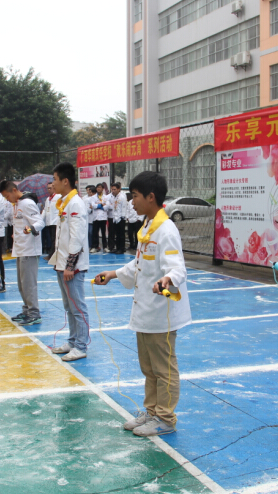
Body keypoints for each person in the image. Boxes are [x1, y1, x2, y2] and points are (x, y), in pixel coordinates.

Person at [94, 171, 191, 437]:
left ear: (150, 197)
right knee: (149, 369)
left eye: (135, 196)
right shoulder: (148, 226)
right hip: (146, 311)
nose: (131, 202)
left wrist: (167, 280)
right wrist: (113, 274)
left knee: (163, 369)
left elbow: (177, 268)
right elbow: (139, 264)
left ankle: (165, 418)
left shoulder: (166, 230)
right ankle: (151, 411)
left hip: (162, 313)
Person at [48, 163, 90, 361]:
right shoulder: (64, 202)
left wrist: (70, 265)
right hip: (62, 263)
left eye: (55, 179)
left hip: (72, 267)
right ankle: (72, 341)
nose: (52, 183)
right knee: (69, 306)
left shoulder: (75, 204)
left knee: (78, 307)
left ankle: (81, 346)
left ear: (65, 181)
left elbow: (77, 237)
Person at [0, 180, 44, 325]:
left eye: (7, 196)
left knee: (29, 283)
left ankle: (34, 313)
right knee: (22, 283)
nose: (7, 199)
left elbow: (39, 222)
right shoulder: (16, 204)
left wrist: (31, 228)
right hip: (20, 248)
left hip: (29, 249)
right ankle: (27, 310)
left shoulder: (27, 203)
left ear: (14, 190)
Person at [41, 182, 60, 260]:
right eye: (48, 188)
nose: (49, 190)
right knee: (52, 239)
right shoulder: (48, 199)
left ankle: (52, 255)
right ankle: (52, 255)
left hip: (56, 221)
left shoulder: (58, 197)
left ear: (54, 188)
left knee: (55, 239)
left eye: (50, 188)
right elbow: (45, 210)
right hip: (49, 222)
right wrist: (40, 219)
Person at [108, 182, 128, 254]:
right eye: (112, 189)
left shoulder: (122, 197)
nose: (113, 191)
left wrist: (123, 217)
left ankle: (121, 248)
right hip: (115, 218)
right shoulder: (114, 197)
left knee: (121, 235)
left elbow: (124, 207)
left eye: (114, 189)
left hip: (121, 218)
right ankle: (117, 247)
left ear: (118, 189)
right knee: (117, 234)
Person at [90, 183, 108, 253]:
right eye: (97, 187)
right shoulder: (93, 197)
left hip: (103, 217)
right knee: (95, 233)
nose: (98, 189)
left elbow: (107, 206)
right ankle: (95, 246)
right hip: (96, 217)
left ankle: (105, 247)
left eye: (100, 187)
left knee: (103, 233)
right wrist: (101, 205)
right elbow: (93, 206)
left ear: (103, 189)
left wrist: (98, 206)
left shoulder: (106, 197)